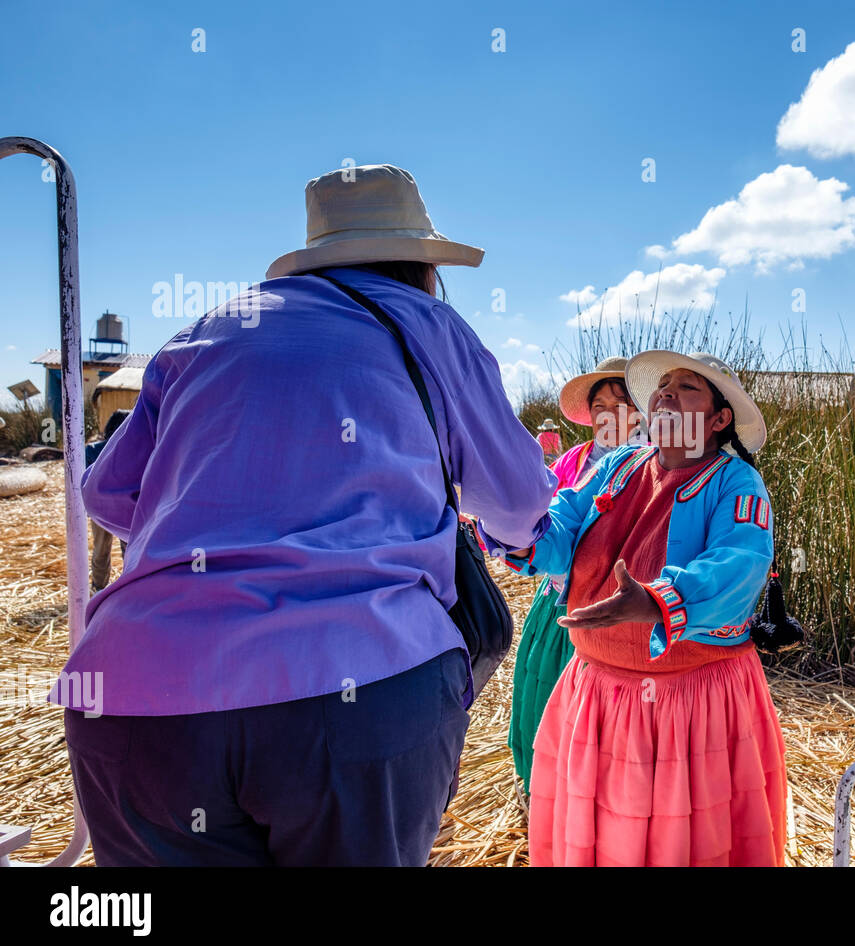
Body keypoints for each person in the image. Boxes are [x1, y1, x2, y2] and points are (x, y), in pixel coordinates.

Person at [50, 163, 557, 866]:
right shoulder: (429, 324)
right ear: (422, 264)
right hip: (355, 693)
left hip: (132, 695)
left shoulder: (209, 327)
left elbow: (107, 494)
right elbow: (522, 503)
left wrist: (211, 540)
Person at [499, 350, 787, 866]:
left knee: (683, 841)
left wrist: (658, 601)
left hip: (691, 700)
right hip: (601, 689)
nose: (666, 392)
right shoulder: (618, 465)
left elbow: (741, 561)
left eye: (688, 387)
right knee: (608, 838)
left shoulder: (736, 482)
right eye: (663, 384)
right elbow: (561, 523)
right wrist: (521, 536)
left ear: (719, 419)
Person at [508, 357, 643, 793]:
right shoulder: (573, 460)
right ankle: (543, 790)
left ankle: (583, 798)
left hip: (620, 609)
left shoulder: (658, 463)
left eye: (620, 403)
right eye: (600, 406)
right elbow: (550, 520)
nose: (610, 415)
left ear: (642, 409)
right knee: (542, 685)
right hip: (559, 601)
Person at [85, 408, 130, 592]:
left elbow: (85, 480)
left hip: (99, 507)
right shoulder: (130, 449)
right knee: (130, 548)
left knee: (101, 549)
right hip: (125, 506)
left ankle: (98, 588)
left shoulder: (92, 450)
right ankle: (130, 587)